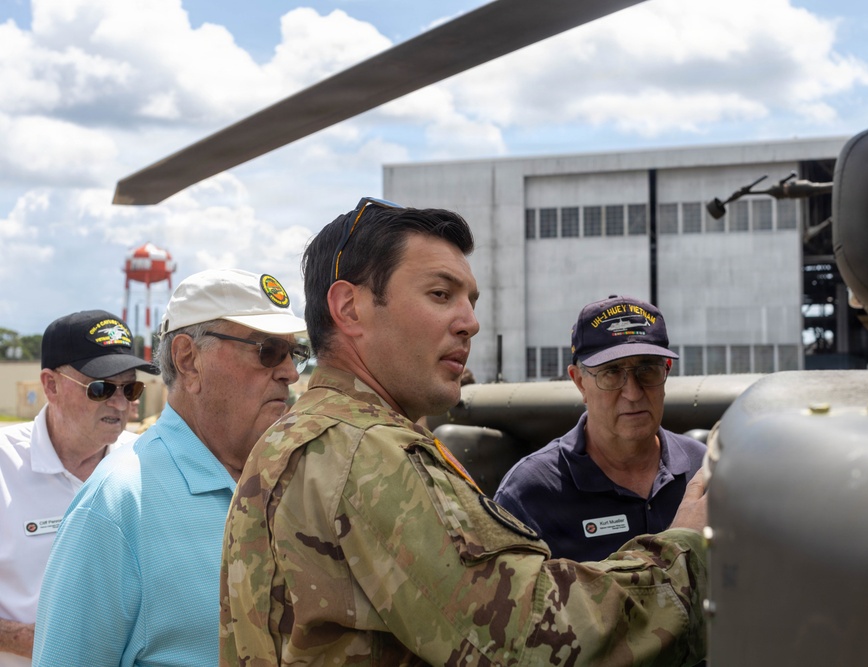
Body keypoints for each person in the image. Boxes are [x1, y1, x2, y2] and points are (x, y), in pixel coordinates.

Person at [220, 198, 709, 666]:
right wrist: (684, 548)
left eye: (470, 301)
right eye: (440, 294)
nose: (470, 323)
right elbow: (535, 640)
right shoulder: (368, 453)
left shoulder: (291, 440)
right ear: (349, 308)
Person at [31, 269, 308, 667]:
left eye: (294, 353)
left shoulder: (288, 481)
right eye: (268, 350)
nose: (290, 372)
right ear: (188, 359)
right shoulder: (118, 505)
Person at [493, 295, 707, 562]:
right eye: (612, 373)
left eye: (647, 370)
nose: (632, 392)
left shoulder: (703, 469)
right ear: (579, 381)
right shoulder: (531, 492)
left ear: (667, 371)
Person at [0, 310, 155, 667]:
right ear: (51, 385)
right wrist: (26, 638)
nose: (121, 405)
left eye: (130, 388)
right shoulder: (4, 466)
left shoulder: (146, 462)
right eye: (101, 389)